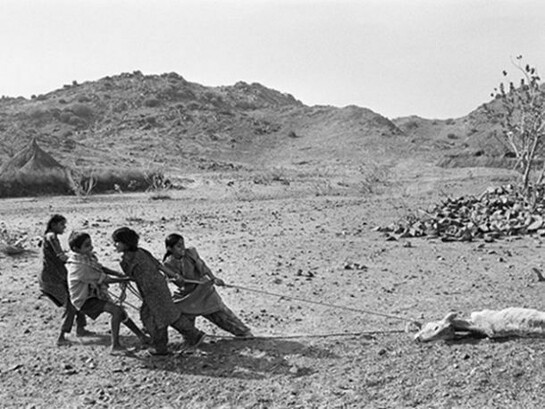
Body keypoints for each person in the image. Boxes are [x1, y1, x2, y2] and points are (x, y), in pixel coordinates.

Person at [112, 227, 206, 355]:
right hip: (160, 286)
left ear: (126, 242)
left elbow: (132, 276)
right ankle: (194, 335)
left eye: (117, 242)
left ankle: (161, 347)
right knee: (169, 313)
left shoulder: (126, 260)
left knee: (155, 317)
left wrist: (119, 279)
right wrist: (174, 275)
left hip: (151, 291)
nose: (115, 245)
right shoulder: (142, 252)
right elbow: (159, 266)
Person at [66, 231, 150, 354]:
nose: (91, 247)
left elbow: (101, 268)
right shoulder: (80, 267)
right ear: (76, 249)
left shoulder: (85, 258)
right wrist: (125, 279)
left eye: (90, 244)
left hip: (93, 293)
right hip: (84, 300)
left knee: (120, 312)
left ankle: (142, 337)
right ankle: (115, 346)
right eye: (87, 246)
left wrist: (119, 274)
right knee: (116, 311)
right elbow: (105, 279)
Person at [163, 233, 253, 338]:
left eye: (183, 244)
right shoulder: (168, 264)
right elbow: (179, 283)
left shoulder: (190, 253)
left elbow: (203, 268)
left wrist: (213, 278)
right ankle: (192, 338)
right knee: (176, 312)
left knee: (222, 315)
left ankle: (244, 332)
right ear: (170, 248)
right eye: (179, 246)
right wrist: (179, 280)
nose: (182, 248)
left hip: (203, 290)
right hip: (188, 295)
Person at [38, 214, 89, 346]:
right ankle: (62, 337)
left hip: (58, 276)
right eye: (62, 225)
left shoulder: (49, 237)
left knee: (77, 296)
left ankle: (81, 328)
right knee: (70, 305)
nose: (64, 227)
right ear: (53, 225)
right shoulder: (51, 236)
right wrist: (79, 260)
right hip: (51, 279)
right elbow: (61, 256)